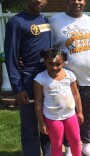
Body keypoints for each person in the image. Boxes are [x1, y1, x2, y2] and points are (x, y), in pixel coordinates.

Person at [49, 0, 90, 155]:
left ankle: (86, 146)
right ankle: (69, 148)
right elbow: (49, 51)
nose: (77, 2)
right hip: (66, 82)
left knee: (89, 115)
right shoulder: (55, 21)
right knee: (68, 115)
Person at [4, 0, 51, 155]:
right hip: (28, 80)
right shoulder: (15, 22)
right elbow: (11, 57)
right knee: (30, 127)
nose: (38, 0)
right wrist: (17, 88)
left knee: (48, 124)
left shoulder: (46, 21)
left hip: (48, 79)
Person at [34, 49, 84, 156]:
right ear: (45, 62)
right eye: (50, 64)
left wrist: (79, 111)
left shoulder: (69, 75)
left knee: (75, 141)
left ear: (64, 62)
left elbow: (76, 93)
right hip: (53, 118)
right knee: (56, 144)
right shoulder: (40, 78)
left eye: (58, 64)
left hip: (70, 115)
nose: (54, 67)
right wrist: (41, 122)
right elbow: (38, 101)